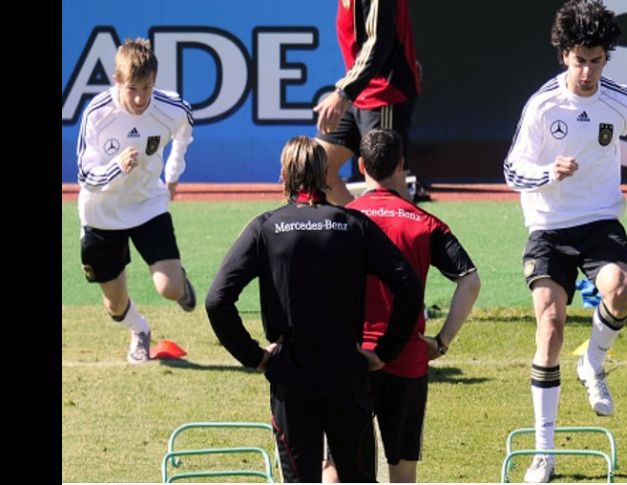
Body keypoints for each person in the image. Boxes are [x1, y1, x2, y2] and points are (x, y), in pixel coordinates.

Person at [502, 1, 627, 482]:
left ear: (606, 57)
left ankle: (593, 362)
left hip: (598, 219)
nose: (588, 71)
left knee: (619, 287)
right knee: (549, 324)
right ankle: (543, 453)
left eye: (596, 60)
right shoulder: (542, 104)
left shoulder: (618, 99)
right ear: (564, 56)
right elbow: (511, 169)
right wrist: (548, 172)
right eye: (580, 61)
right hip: (548, 225)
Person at [205, 135, 423, 483]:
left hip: (290, 375)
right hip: (346, 375)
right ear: (325, 174)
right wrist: (384, 351)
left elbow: (217, 300)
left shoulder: (266, 227)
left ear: (283, 175)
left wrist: (255, 357)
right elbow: (408, 287)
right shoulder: (353, 225)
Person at [322, 129, 481, 483]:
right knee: (403, 469)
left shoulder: (340, 219)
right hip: (407, 359)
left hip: (351, 358)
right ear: (401, 165)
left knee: (337, 464)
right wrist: (441, 342)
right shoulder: (425, 223)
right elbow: (470, 281)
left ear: (360, 165)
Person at [76, 37, 197, 364]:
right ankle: (139, 330)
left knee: (169, 289)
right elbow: (85, 177)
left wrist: (173, 172)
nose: (141, 97)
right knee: (115, 305)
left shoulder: (170, 108)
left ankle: (180, 282)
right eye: (132, 88)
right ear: (117, 80)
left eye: (147, 87)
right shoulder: (97, 114)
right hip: (102, 214)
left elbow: (185, 132)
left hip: (148, 205)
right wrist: (116, 167)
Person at [313, 0, 422, 205]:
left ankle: (414, 237)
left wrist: (344, 93)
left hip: (385, 94)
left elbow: (378, 42)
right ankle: (359, 231)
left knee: (387, 187)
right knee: (318, 169)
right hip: (358, 91)